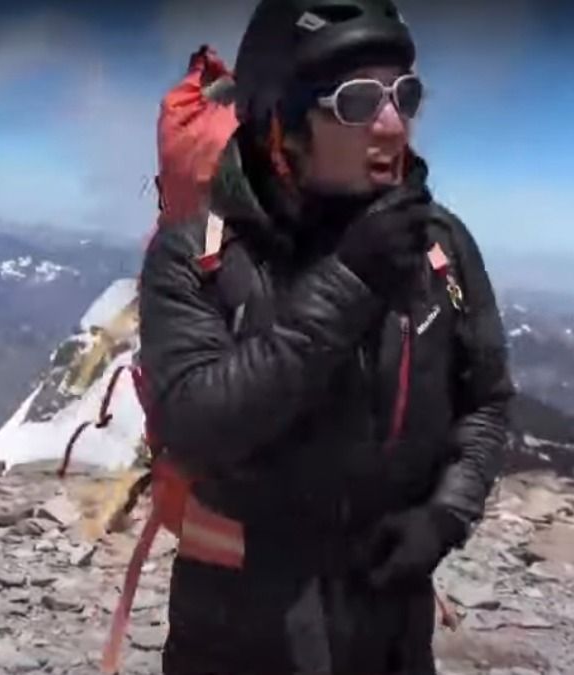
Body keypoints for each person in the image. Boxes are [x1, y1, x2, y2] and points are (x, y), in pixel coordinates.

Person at [136, 0, 514, 673]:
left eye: (406, 94)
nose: (393, 124)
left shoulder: (440, 247)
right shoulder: (197, 256)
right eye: (357, 100)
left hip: (390, 629)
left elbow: (484, 399)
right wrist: (351, 278)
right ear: (283, 122)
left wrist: (442, 518)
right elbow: (197, 421)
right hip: (237, 637)